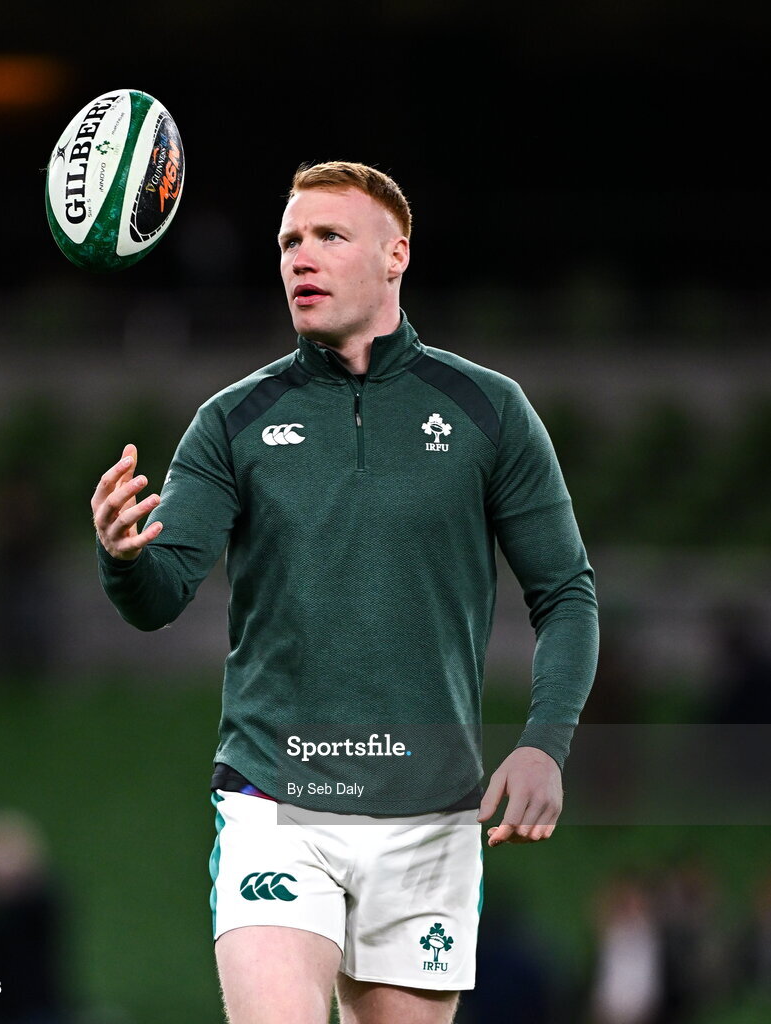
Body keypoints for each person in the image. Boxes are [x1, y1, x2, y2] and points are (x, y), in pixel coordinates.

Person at [93, 162, 598, 1024]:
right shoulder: (231, 422)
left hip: (429, 809)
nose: (301, 257)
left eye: (328, 236)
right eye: (289, 240)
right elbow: (158, 594)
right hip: (275, 798)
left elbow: (567, 594)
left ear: (395, 254)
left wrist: (545, 743)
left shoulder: (489, 411)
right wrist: (123, 556)